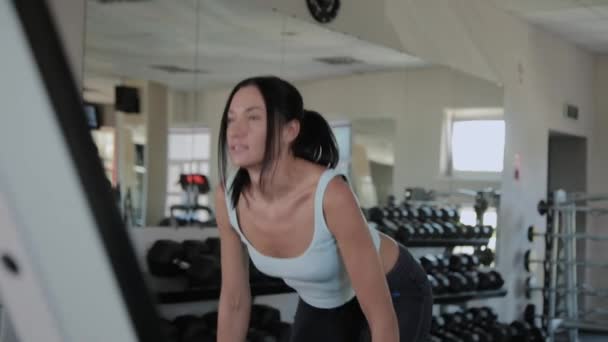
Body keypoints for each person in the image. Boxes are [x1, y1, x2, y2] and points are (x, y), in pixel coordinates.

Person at [214, 76, 432, 342]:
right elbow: (235, 300)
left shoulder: (330, 195)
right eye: (231, 118)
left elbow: (381, 317)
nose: (236, 131)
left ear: (289, 131)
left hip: (395, 290)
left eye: (253, 118)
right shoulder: (228, 200)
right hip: (323, 301)